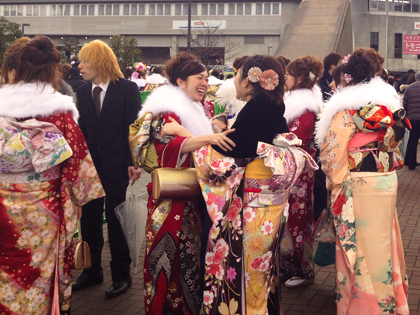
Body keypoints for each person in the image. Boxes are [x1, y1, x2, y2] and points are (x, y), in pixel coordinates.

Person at [162, 54, 318, 314]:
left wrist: (183, 134)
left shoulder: (256, 112)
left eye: (236, 75)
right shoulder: (272, 107)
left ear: (247, 81)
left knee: (244, 272)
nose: (233, 80)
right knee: (259, 272)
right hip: (268, 206)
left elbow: (219, 163)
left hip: (251, 208)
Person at [0, 36, 104, 314]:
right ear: (50, 72)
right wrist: (78, 201)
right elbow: (79, 165)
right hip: (45, 211)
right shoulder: (58, 113)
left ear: (12, 71)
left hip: (3, 210)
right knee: (40, 273)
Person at [135, 52, 233, 315]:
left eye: (206, 78)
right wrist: (204, 138)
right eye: (199, 78)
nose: (205, 83)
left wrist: (194, 134)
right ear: (180, 81)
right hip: (171, 199)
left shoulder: (194, 109)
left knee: (188, 260)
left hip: (190, 197)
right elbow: (169, 148)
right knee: (170, 260)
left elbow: (189, 141)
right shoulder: (168, 109)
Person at [317, 51, 410, 315]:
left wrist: (334, 183)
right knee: (384, 240)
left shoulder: (346, 110)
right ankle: (392, 303)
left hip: (359, 183)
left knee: (362, 246)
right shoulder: (387, 105)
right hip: (385, 178)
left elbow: (333, 152)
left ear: (347, 79)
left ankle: (366, 307)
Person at [73, 40, 141, 298]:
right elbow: (82, 132)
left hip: (118, 164)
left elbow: (133, 129)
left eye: (85, 61)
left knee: (116, 219)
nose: (80, 66)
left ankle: (121, 275)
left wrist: (132, 162)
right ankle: (92, 272)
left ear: (101, 62)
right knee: (89, 219)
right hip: (89, 167)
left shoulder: (127, 89)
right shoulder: (80, 92)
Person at [280, 55, 323, 287]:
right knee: (289, 216)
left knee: (297, 216)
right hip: (291, 167)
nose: (285, 78)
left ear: (299, 79)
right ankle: (289, 265)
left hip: (298, 168)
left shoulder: (304, 107)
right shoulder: (297, 102)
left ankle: (302, 268)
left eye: (288, 75)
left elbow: (298, 138)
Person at [403, 71, 420, 170]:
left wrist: (407, 114)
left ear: (416, 78)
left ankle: (411, 163)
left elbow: (405, 103)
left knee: (412, 140)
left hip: (412, 118)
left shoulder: (409, 88)